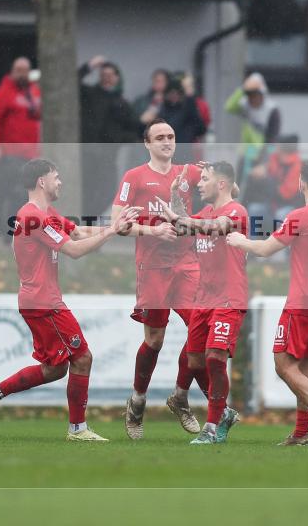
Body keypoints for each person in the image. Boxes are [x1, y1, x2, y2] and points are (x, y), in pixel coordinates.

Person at [0, 159, 141, 441]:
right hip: (44, 302)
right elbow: (73, 250)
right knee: (83, 358)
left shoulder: (44, 212)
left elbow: (77, 232)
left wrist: (119, 227)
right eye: (56, 176)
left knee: (55, 368)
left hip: (38, 301)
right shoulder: (33, 217)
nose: (60, 181)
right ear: (42, 181)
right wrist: (112, 231)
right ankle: (77, 429)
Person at [227, 161, 308, 447]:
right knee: (304, 366)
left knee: (283, 365)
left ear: (301, 184)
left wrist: (239, 241)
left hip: (303, 300)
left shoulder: (300, 217)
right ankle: (300, 433)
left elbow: (265, 249)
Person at [111, 120, 205, 440]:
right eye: (160, 138)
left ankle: (180, 396)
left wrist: (220, 177)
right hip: (152, 268)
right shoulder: (134, 177)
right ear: (147, 144)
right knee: (155, 340)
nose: (167, 142)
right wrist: (153, 230)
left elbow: (228, 188)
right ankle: (137, 402)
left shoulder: (189, 173)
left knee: (201, 331)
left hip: (187, 264)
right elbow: (117, 224)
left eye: (171, 137)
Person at [155, 161, 247, 444]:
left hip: (228, 299)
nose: (199, 183)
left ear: (221, 184)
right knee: (195, 361)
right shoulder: (206, 211)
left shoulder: (235, 211)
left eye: (204, 179)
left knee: (215, 359)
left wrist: (183, 219)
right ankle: (225, 413)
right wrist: (173, 196)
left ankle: (211, 426)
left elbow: (216, 227)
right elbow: (184, 225)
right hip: (203, 299)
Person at [79, 55, 139, 215]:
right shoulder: (90, 94)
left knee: (108, 192)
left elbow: (133, 130)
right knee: (86, 191)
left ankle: (88, 219)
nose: (106, 79)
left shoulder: (122, 103)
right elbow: (70, 83)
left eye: (110, 75)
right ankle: (84, 223)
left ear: (117, 78)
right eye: (103, 75)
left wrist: (118, 139)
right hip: (88, 152)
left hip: (108, 154)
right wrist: (89, 66)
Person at [226, 72, 280, 180]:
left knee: (259, 186)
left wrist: (266, 161)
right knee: (241, 184)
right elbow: (229, 107)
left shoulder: (271, 110)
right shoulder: (245, 106)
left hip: (262, 155)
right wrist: (242, 89)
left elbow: (272, 137)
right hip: (247, 153)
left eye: (255, 94)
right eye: (249, 95)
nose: (252, 98)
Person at [0, 57, 41, 159]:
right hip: (11, 153)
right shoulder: (3, 93)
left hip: (32, 152)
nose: (22, 75)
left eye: (25, 71)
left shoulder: (35, 91)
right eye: (19, 70)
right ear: (12, 71)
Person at [156, 78, 205, 164]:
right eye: (171, 93)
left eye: (177, 94)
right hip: (166, 153)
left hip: (185, 151)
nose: (174, 96)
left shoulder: (189, 107)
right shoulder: (163, 110)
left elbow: (201, 128)